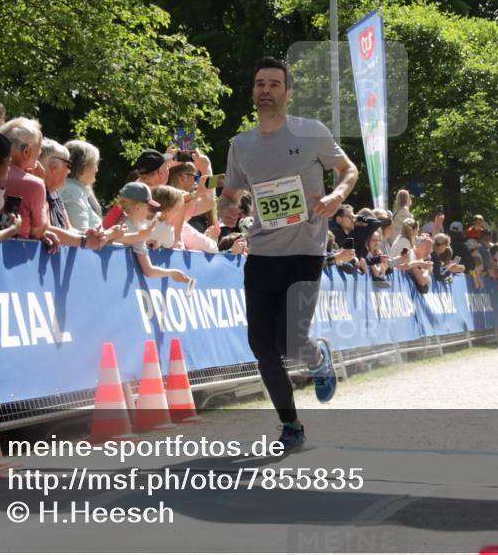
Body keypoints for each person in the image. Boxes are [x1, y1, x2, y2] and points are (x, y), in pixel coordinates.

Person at [220, 57, 357, 451]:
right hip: (261, 254)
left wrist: (335, 196)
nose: (266, 90)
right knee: (262, 346)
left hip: (305, 252)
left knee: (291, 342)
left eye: (274, 85)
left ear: (288, 92)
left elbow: (348, 171)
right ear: (253, 92)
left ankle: (316, 357)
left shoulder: (311, 133)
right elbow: (230, 195)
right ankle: (291, 426)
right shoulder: (241, 144)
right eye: (259, 84)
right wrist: (226, 209)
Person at [38, 139, 116, 249]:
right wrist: (88, 239)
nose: (97, 169)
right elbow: (43, 228)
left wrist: (87, 236)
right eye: (67, 165)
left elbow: (69, 229)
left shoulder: (56, 192)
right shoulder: (71, 191)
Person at [113, 182, 193, 284]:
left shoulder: (120, 221)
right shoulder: (139, 233)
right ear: (137, 208)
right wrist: (173, 273)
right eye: (148, 208)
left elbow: (124, 238)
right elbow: (149, 271)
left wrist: (145, 242)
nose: (152, 212)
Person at [0, 117, 58, 253]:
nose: (40, 154)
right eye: (39, 150)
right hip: (15, 258)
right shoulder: (34, 184)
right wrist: (43, 189)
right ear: (26, 152)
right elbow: (38, 230)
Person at [59, 139, 104, 232]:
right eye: (95, 164)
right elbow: (82, 234)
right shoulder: (73, 191)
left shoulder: (74, 189)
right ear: (82, 166)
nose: (97, 170)